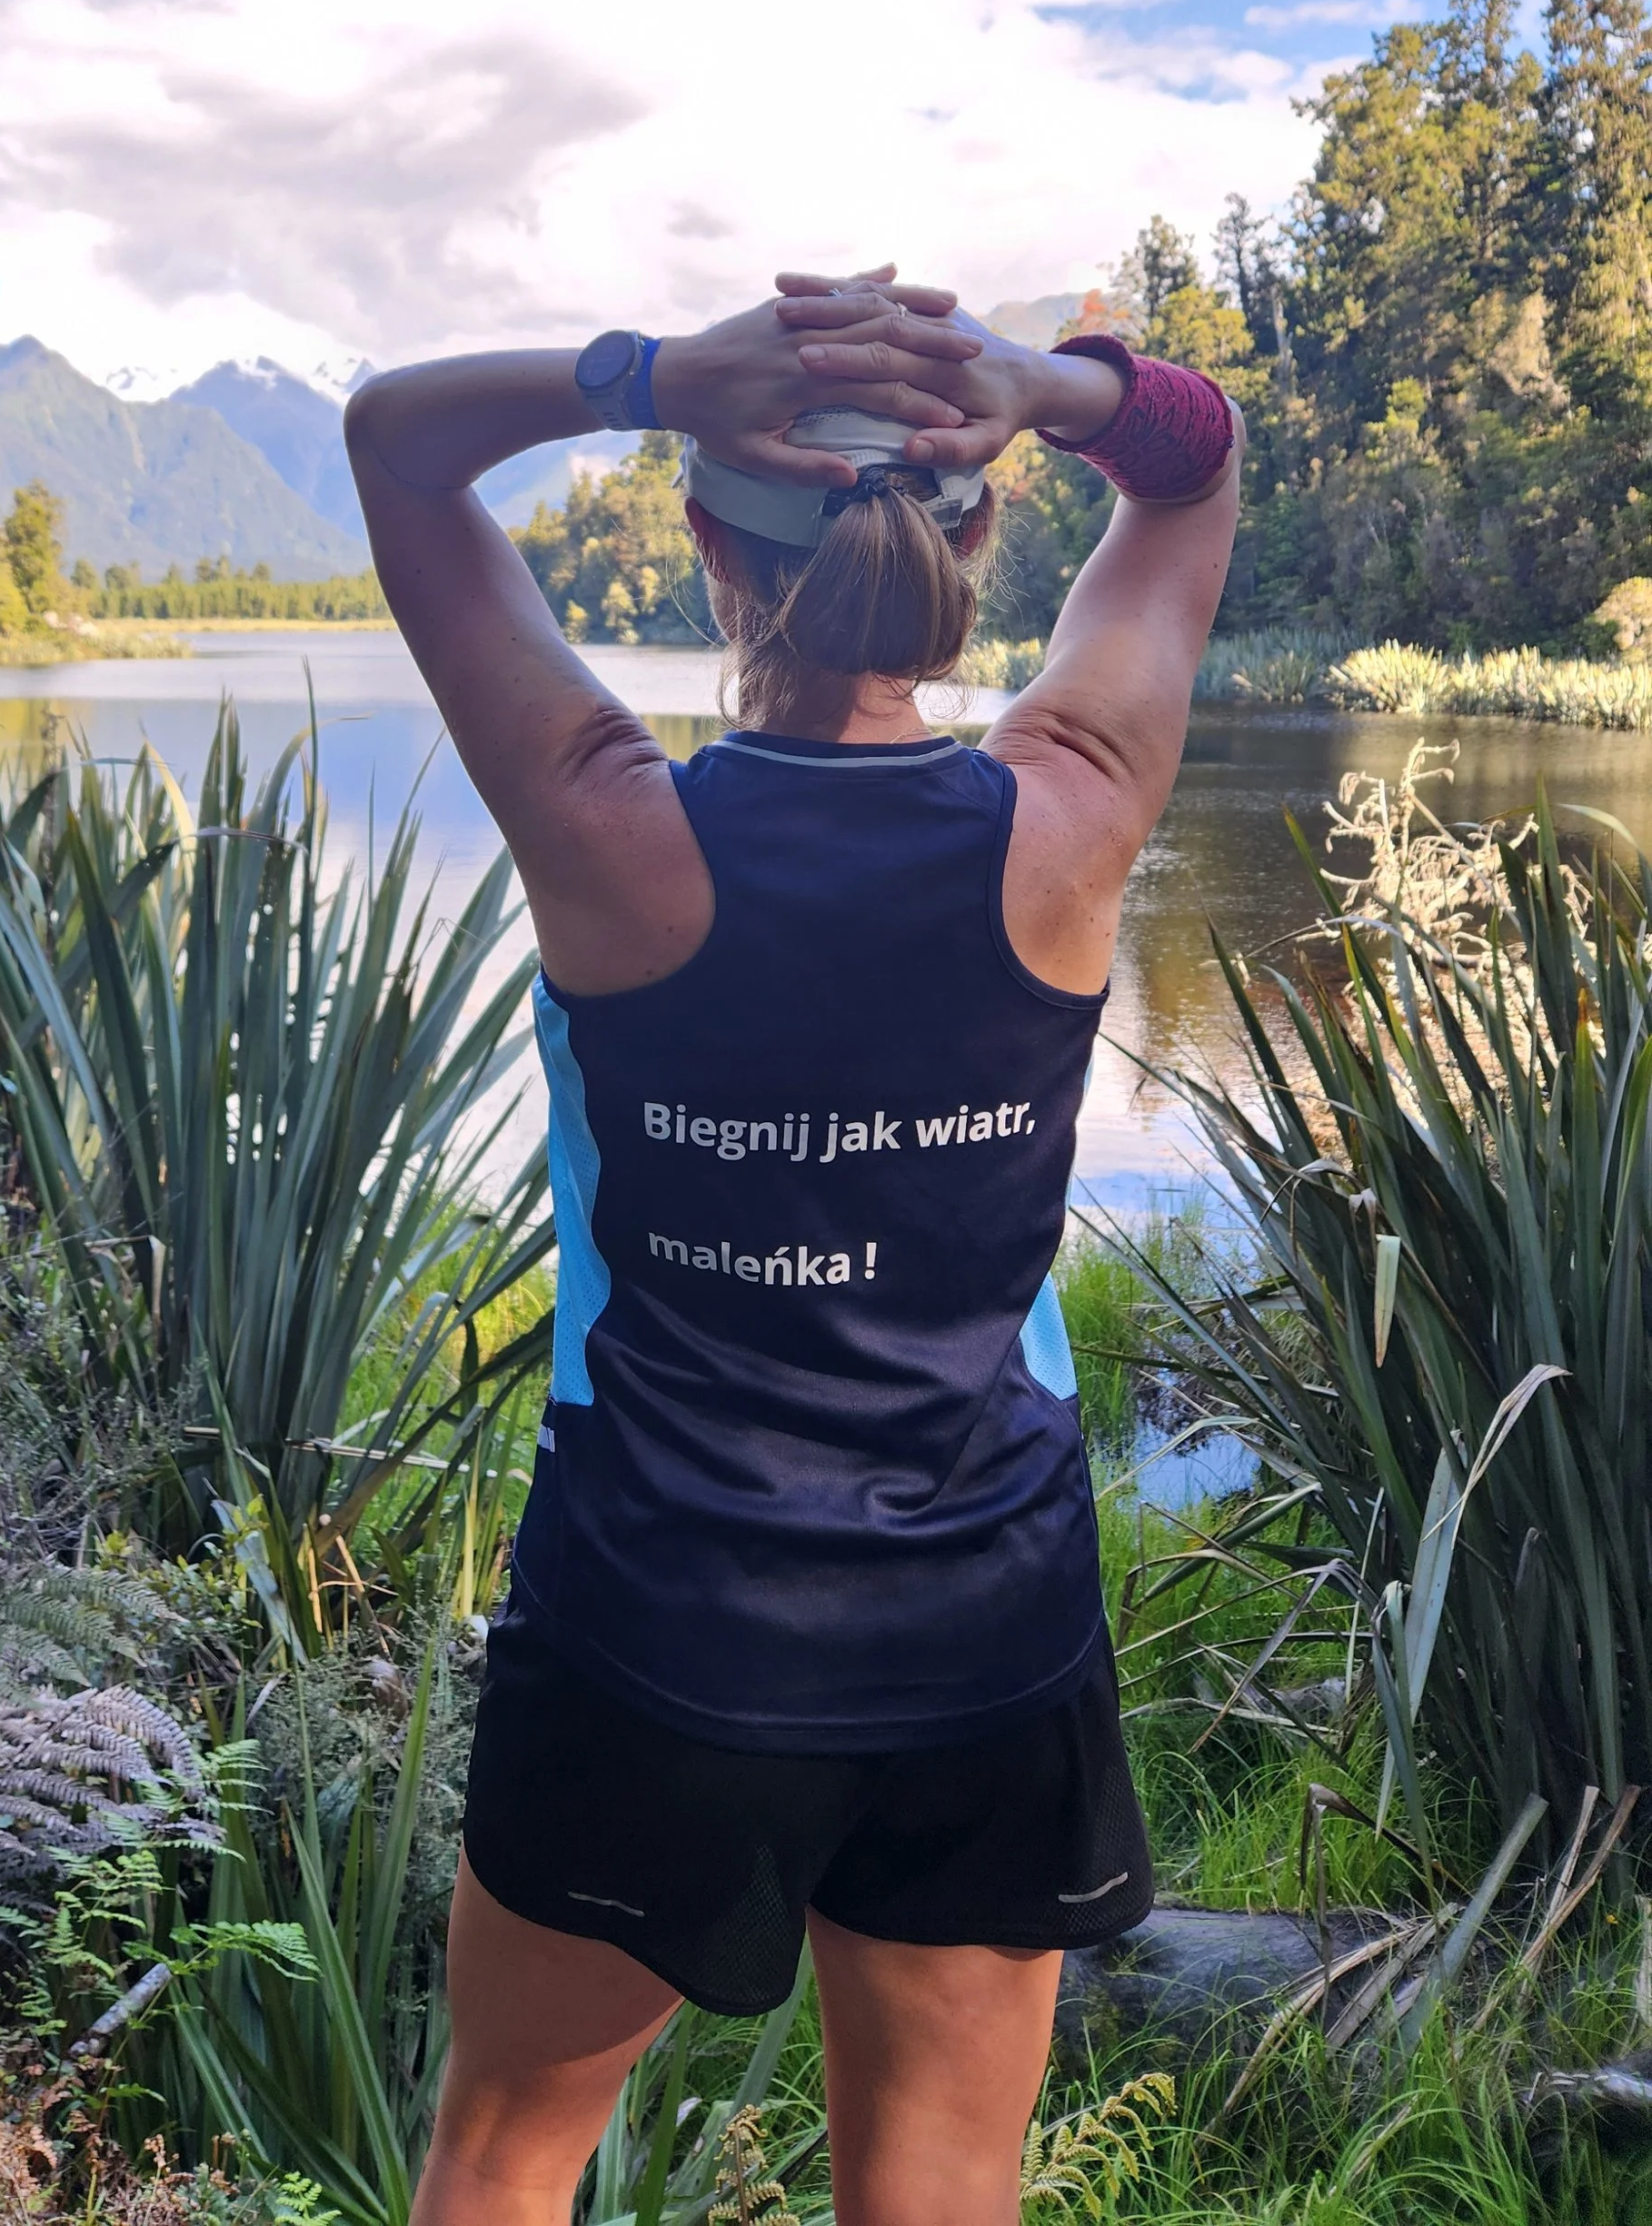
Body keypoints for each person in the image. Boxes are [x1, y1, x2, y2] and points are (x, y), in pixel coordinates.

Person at [343, 273, 1241, 2226]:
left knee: (499, 2163)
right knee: (936, 2183)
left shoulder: (607, 828)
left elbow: (394, 444)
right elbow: (1194, 471)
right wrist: (1043, 382)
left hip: (660, 1626)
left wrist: (650, 376)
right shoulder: (1069, 806)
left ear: (693, 538)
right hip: (979, 1627)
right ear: (980, 533)